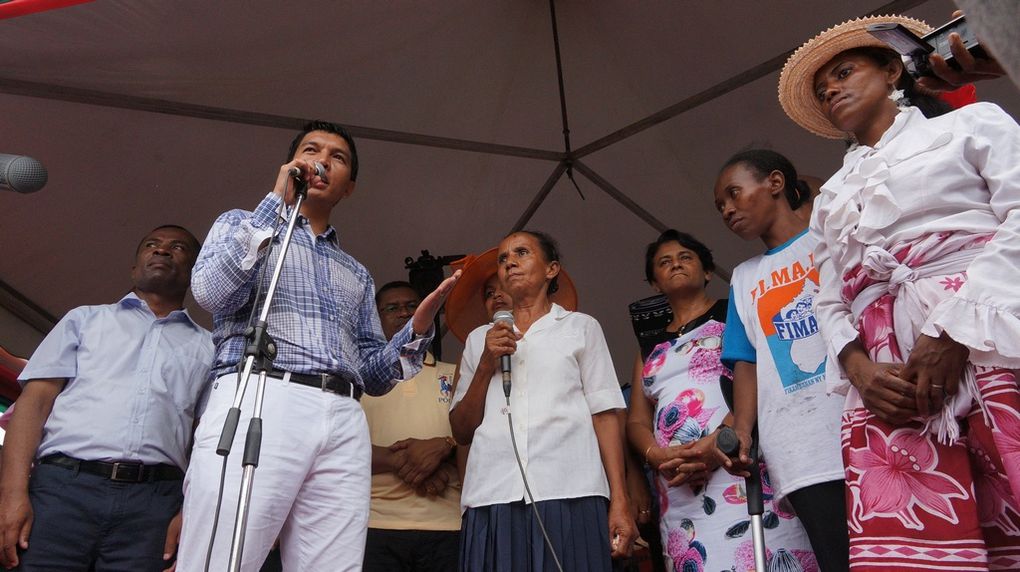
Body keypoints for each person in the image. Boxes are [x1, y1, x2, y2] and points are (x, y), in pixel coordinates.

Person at [778, 14, 1020, 570]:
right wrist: (859, 370)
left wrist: (952, 330)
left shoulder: (971, 123)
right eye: (822, 89)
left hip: (988, 336)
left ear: (892, 68)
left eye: (843, 72)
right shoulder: (833, 193)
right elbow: (828, 295)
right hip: (890, 379)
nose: (831, 89)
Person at [176, 120, 460, 571]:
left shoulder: (357, 273)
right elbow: (211, 293)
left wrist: (417, 330)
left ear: (349, 188)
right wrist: (276, 205)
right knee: (223, 559)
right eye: (312, 150)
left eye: (338, 157)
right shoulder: (240, 224)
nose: (323, 160)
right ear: (291, 164)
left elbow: (372, 375)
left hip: (344, 415)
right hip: (263, 393)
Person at [0, 225, 212, 571]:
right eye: (152, 245)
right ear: (133, 267)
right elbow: (33, 406)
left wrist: (192, 514)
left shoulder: (211, 348)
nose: (162, 251)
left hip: (154, 506)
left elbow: (207, 439)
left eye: (178, 247)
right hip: (61, 492)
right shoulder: (83, 320)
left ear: (193, 273)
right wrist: (11, 495)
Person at [627, 229, 817, 572]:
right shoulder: (648, 346)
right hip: (680, 482)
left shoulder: (735, 312)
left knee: (764, 555)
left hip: (739, 463)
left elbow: (764, 377)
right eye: (664, 262)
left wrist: (720, 442)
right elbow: (637, 420)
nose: (676, 265)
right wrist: (658, 456)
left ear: (708, 271)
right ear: (654, 283)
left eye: (686, 258)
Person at [449, 231, 636, 571]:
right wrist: (486, 366)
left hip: (570, 490)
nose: (510, 262)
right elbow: (461, 430)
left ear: (552, 269)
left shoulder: (581, 328)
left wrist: (620, 499)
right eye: (503, 258)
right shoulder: (479, 340)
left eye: (521, 253)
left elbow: (606, 416)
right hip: (493, 495)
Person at [712, 150, 848, 571]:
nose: (728, 210)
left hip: (860, 423)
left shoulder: (829, 239)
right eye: (720, 207)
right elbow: (746, 362)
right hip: (799, 448)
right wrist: (743, 432)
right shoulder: (744, 276)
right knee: (838, 560)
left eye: (733, 194)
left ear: (774, 183)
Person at [361, 281, 460, 572]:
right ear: (375, 319)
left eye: (411, 306)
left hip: (447, 524)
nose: (404, 313)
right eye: (392, 308)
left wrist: (445, 448)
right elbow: (335, 448)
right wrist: (411, 460)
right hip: (375, 524)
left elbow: (475, 440)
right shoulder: (357, 379)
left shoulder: (454, 373)